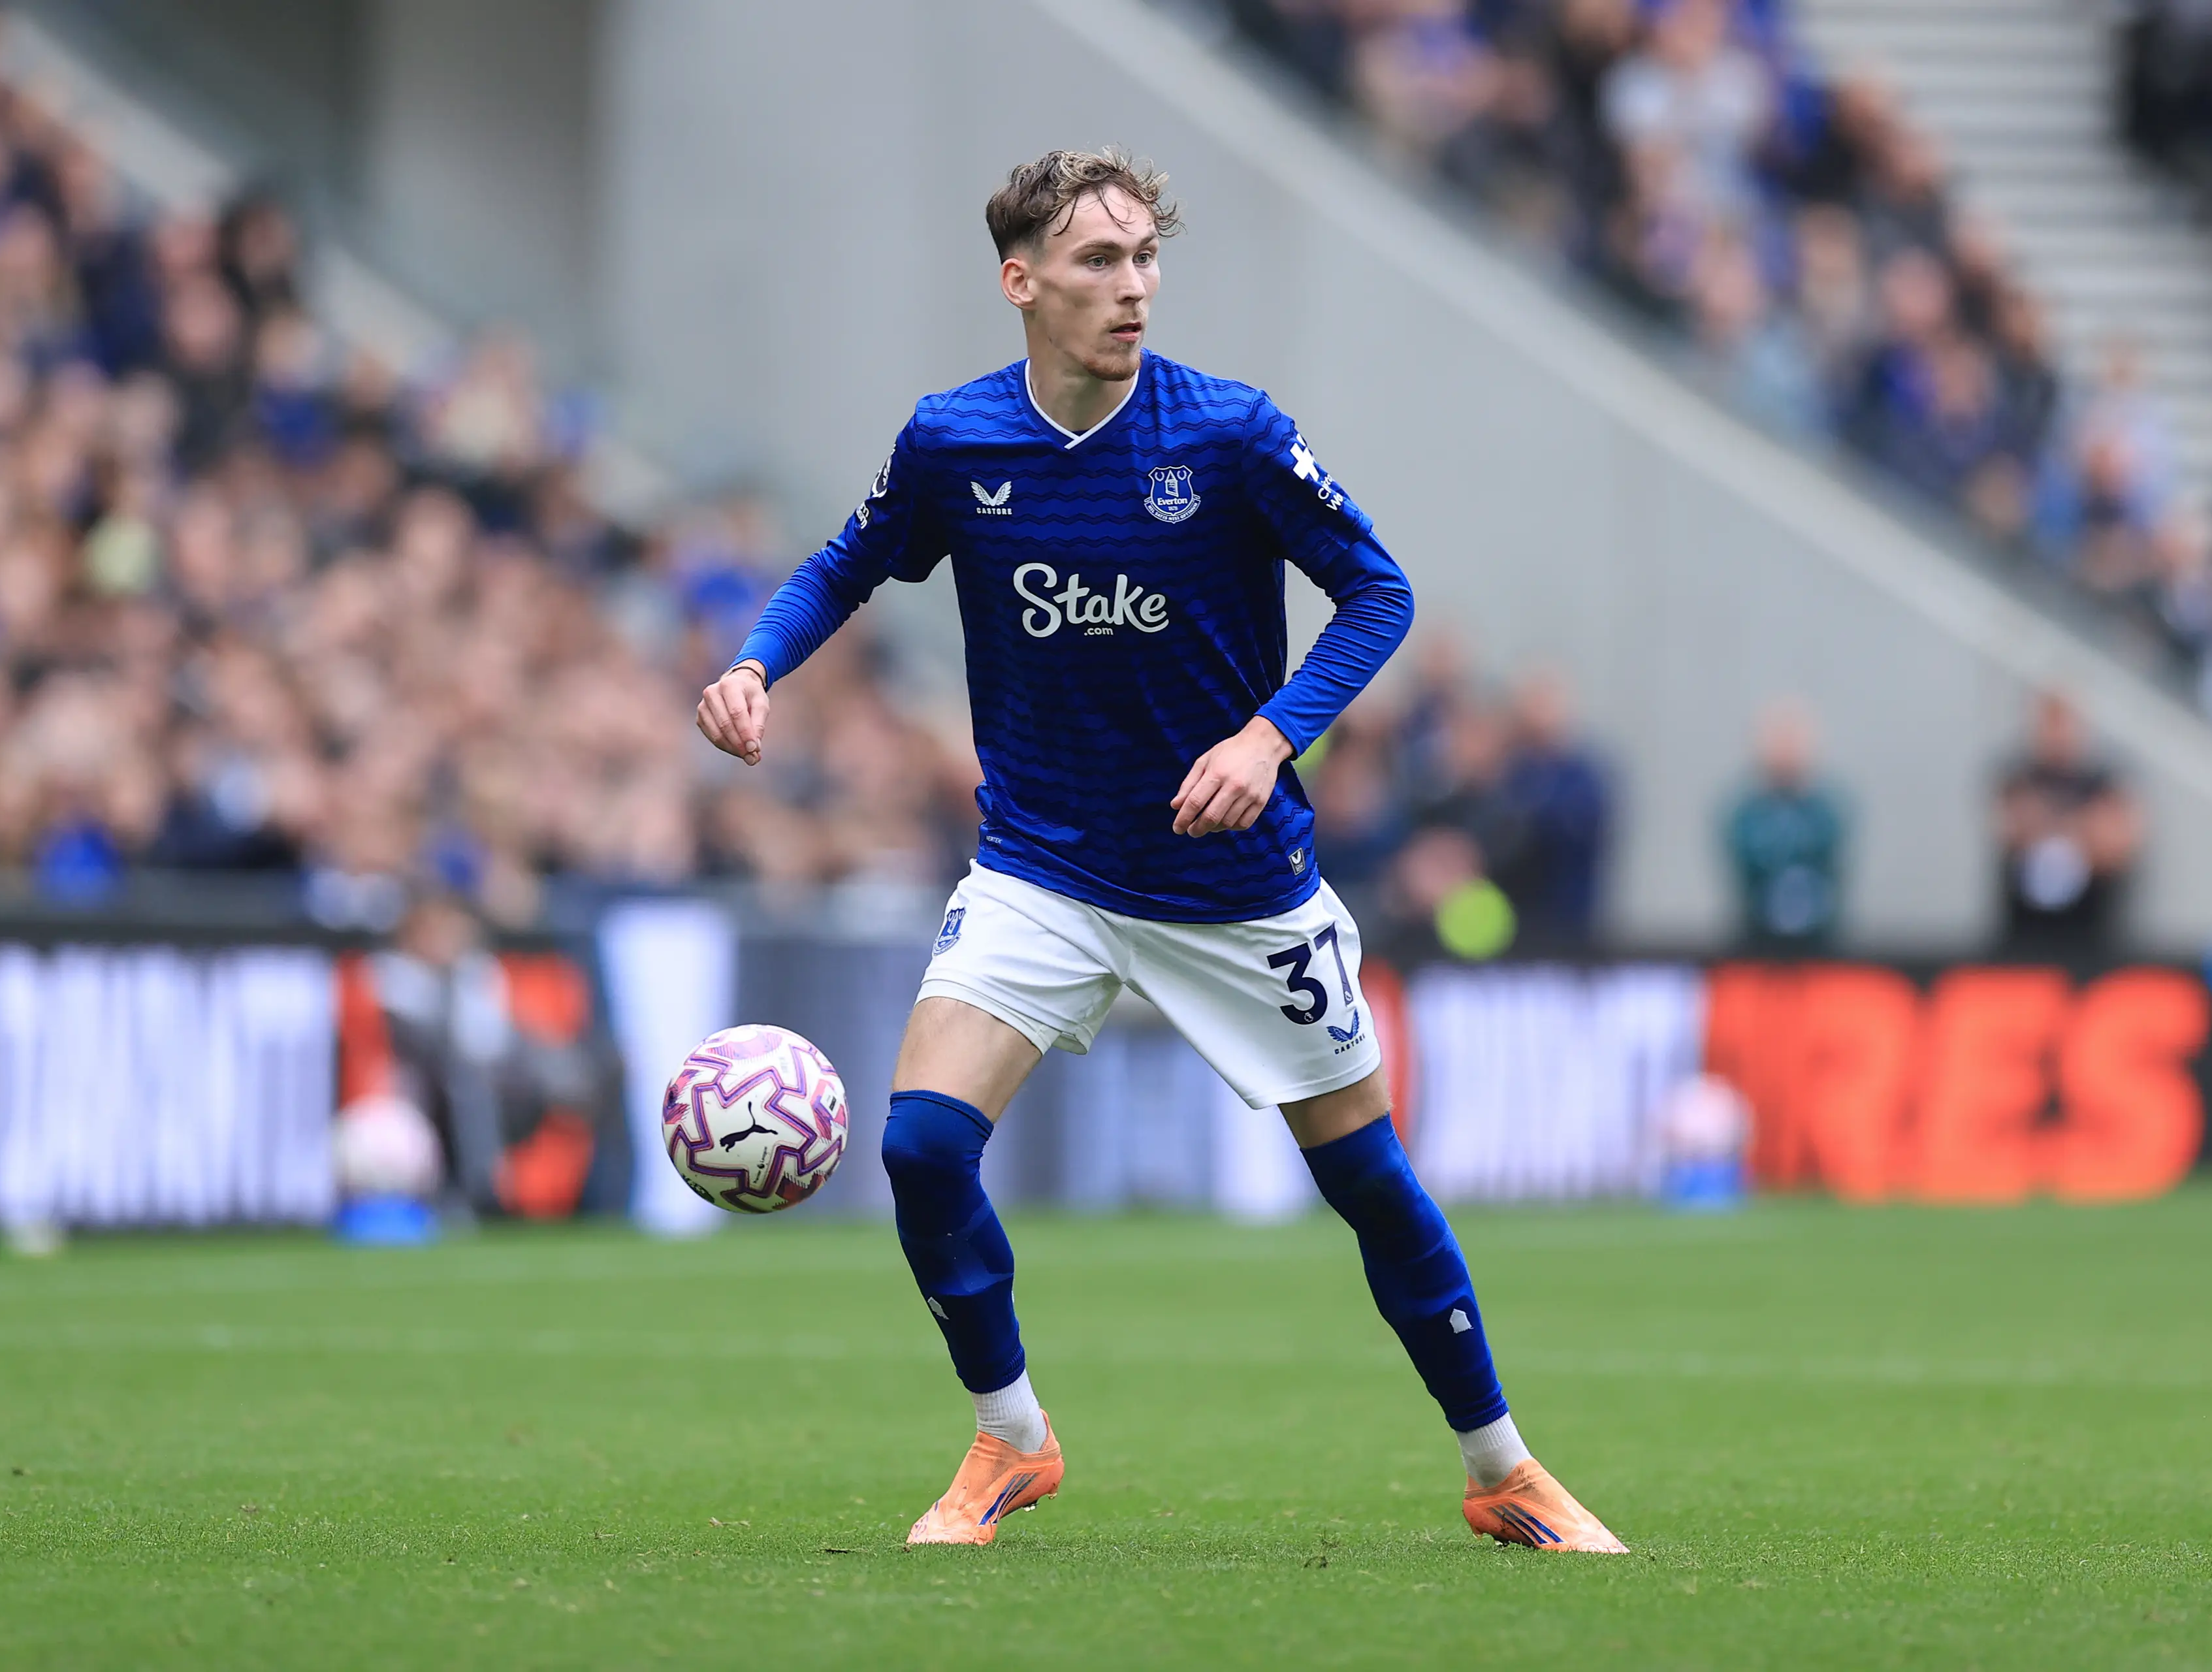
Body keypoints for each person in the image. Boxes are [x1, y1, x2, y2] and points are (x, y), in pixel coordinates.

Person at [696, 150, 1623, 1554]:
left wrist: (1269, 740)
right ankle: (1010, 1437)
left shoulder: (1232, 435)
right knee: (924, 1144)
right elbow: (846, 560)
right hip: (1043, 866)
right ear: (1021, 283)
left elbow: (1378, 592)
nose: (1131, 288)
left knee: (1367, 1178)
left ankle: (1501, 1464)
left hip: (1233, 885)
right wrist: (759, 663)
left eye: (1143, 259)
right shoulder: (955, 443)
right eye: (1096, 263)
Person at [1995, 690, 2142, 951]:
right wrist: (2078, 827)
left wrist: (2056, 825)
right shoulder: (2018, 778)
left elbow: (2116, 844)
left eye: (2064, 722)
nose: (2057, 734)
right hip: (2026, 931)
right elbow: (2012, 828)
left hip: (2092, 929)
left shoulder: (2104, 782)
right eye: (2050, 722)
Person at [1720, 700, 1846, 950]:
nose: (1785, 749)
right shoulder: (1745, 817)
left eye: (1792, 739)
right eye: (1778, 739)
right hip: (1755, 950)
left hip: (1820, 951)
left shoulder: (1827, 814)